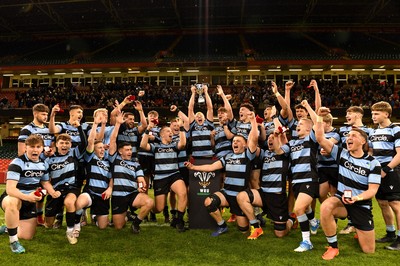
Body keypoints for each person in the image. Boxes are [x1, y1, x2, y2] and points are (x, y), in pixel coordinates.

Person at [315, 108, 381, 260]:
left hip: (361, 204)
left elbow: (372, 191)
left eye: (353, 136)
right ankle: (333, 246)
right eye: (347, 136)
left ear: (363, 141)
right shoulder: (341, 154)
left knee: (368, 250)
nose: (348, 138)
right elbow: (320, 138)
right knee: (326, 207)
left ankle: (359, 229)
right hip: (341, 201)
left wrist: (357, 198)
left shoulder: (373, 163)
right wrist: (319, 117)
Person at [184, 111, 258, 237]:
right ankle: (222, 225)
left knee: (243, 229)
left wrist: (253, 121)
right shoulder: (228, 157)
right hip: (227, 193)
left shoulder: (248, 155)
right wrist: (193, 167)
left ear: (245, 145)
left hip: (240, 196)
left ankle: (255, 224)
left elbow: (254, 138)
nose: (235, 143)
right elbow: (212, 167)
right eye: (234, 141)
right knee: (209, 202)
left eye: (238, 141)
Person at [237, 115, 295, 239]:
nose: (270, 139)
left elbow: (281, 136)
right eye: (268, 138)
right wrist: (253, 123)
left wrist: (276, 124)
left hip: (277, 197)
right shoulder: (265, 153)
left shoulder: (286, 151)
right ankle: (256, 227)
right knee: (242, 196)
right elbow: (252, 145)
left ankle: (290, 221)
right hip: (263, 194)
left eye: (272, 137)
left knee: (280, 234)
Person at [0, 135, 60, 254]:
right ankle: (13, 242)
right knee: (13, 201)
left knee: (27, 236)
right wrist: (28, 197)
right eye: (32, 147)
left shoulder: (43, 164)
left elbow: (45, 181)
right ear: (26, 148)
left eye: (38, 147)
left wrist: (53, 192)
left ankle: (8, 228)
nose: (35, 150)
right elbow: (11, 189)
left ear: (42, 148)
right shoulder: (17, 163)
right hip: (13, 197)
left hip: (29, 199)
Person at [279, 104, 320, 252]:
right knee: (306, 207)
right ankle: (314, 222)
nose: (298, 125)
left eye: (301, 124)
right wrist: (279, 137)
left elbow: (317, 122)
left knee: (298, 208)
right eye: (298, 124)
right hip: (296, 180)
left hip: (309, 178)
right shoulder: (292, 142)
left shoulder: (311, 139)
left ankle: (307, 241)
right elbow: (279, 151)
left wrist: (307, 106)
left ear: (309, 129)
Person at [109, 111, 154, 233]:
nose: (129, 152)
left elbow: (140, 178)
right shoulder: (115, 159)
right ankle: (127, 215)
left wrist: (141, 186)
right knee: (119, 226)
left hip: (132, 194)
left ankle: (136, 223)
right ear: (120, 151)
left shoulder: (136, 163)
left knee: (149, 202)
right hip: (118, 196)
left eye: (130, 149)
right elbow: (112, 140)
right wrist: (118, 124)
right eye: (127, 150)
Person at [140, 116, 188, 232]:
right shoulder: (156, 147)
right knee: (159, 208)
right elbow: (142, 145)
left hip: (174, 175)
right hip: (160, 178)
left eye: (171, 132)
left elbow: (182, 144)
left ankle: (179, 221)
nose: (171, 133)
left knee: (182, 193)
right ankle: (152, 211)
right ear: (161, 135)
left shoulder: (174, 145)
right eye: (168, 131)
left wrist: (181, 127)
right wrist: (148, 129)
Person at [44, 120, 87, 245]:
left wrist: (79, 127)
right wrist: (51, 191)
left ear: (70, 145)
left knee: (69, 202)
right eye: (62, 143)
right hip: (55, 190)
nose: (64, 145)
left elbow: (84, 142)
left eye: (67, 143)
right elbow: (45, 179)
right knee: (48, 224)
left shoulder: (74, 153)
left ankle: (70, 231)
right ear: (56, 144)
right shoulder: (50, 158)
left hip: (71, 187)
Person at [48, 104, 90, 228]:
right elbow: (52, 130)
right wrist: (52, 115)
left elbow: (87, 142)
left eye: (82, 112)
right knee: (59, 186)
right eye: (78, 112)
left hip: (80, 162)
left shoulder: (85, 125)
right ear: (71, 113)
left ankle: (80, 211)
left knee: (76, 188)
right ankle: (59, 216)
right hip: (64, 160)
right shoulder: (63, 125)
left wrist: (80, 128)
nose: (80, 114)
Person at [337, 106, 374, 235]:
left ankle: (363, 224)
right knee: (343, 194)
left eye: (350, 113)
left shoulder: (369, 131)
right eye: (346, 113)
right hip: (345, 166)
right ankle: (351, 223)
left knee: (365, 195)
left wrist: (368, 165)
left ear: (358, 115)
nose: (347, 115)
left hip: (363, 168)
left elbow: (370, 150)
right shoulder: (342, 130)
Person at [17, 103, 54, 226]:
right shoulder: (27, 129)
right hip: (31, 166)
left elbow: (52, 146)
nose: (45, 117)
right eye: (43, 114)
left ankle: (39, 216)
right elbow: (21, 151)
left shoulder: (49, 129)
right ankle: (18, 217)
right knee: (28, 192)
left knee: (42, 192)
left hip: (46, 166)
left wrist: (50, 152)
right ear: (35, 114)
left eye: (46, 114)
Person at [370, 101, 400, 250]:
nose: (373, 116)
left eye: (376, 113)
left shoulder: (395, 129)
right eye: (372, 113)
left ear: (386, 114)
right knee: (382, 203)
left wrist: (386, 169)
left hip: (392, 171)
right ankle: (390, 233)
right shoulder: (374, 132)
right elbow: (371, 153)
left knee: (395, 204)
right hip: (378, 171)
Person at [75, 112, 113, 230]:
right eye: (99, 148)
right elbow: (91, 142)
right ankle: (76, 225)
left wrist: (110, 188)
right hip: (90, 191)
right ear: (94, 150)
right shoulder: (90, 158)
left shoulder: (108, 161)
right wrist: (95, 124)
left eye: (103, 148)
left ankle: (95, 217)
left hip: (103, 195)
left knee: (102, 227)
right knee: (79, 203)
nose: (102, 150)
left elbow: (112, 177)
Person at [188, 84, 215, 159]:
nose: (199, 116)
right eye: (197, 116)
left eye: (201, 115)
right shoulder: (193, 125)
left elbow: (210, 108)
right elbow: (190, 109)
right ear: (194, 118)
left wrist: (206, 92)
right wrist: (193, 93)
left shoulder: (208, 123)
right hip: (196, 156)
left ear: (205, 118)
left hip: (209, 154)